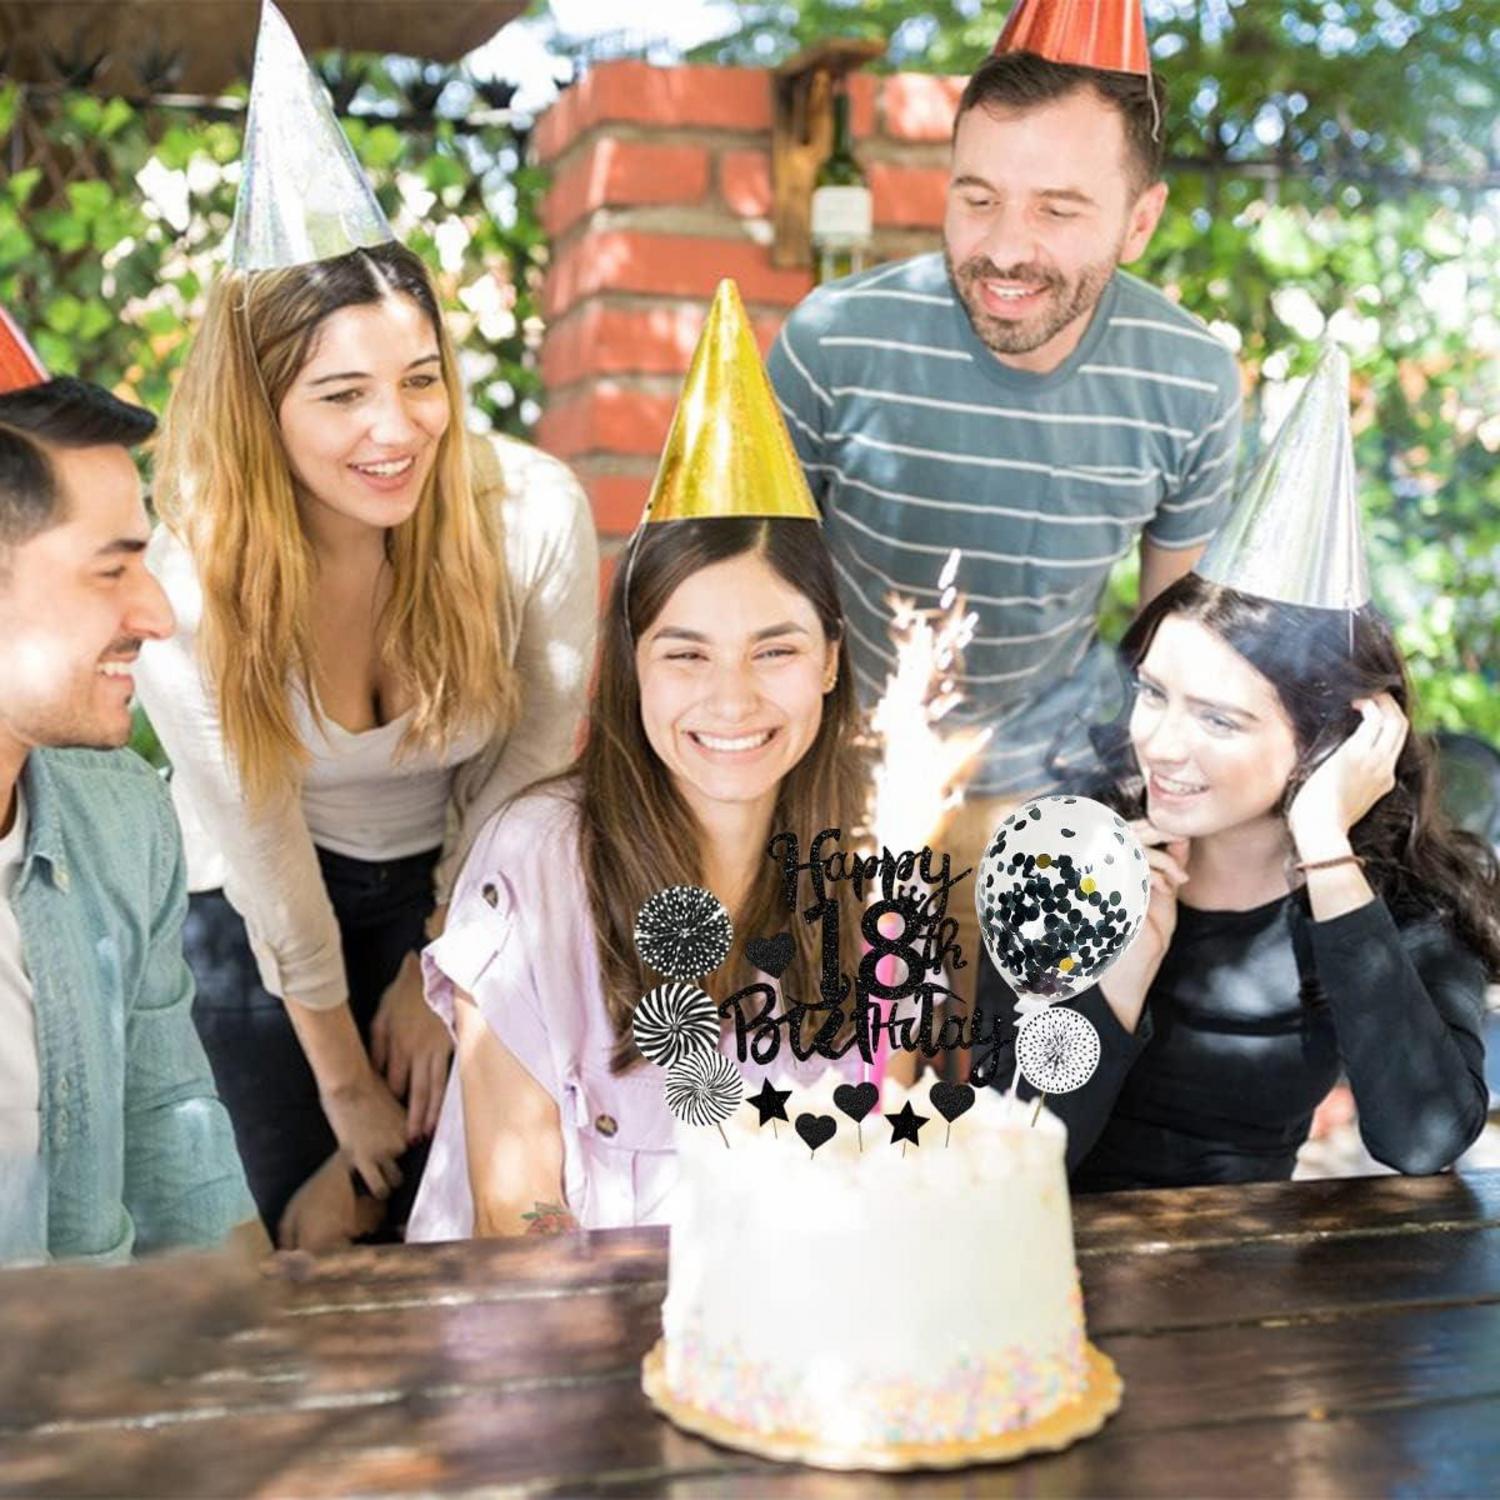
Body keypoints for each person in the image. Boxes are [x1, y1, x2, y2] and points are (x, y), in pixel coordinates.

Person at [136, 1, 596, 1250]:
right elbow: (264, 841)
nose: (395, 430)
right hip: (255, 912)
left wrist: (438, 962)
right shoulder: (193, 585)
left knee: (456, 1227)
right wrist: (345, 1074)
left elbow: (534, 759)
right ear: (263, 410)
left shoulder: (531, 518)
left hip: (466, 875)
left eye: (420, 380)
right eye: (342, 395)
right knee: (311, 1227)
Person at [766, 0, 1244, 1027]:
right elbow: (745, 589)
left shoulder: (1194, 380)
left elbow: (1181, 637)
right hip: (837, 790)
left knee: (1005, 1117)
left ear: (1140, 219)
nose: (1006, 248)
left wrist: (1177, 817)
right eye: (977, 199)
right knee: (840, 1096)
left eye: (1059, 210)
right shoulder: (832, 345)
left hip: (1051, 792)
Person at [408, 282, 882, 1241]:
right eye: (687, 652)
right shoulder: (538, 860)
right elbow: (518, 1209)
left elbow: (885, 1169)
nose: (733, 699)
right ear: (632, 664)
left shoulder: (870, 875)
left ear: (831, 659)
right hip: (558, 1355)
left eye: (776, 649)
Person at [977, 345, 1496, 1188]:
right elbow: (1007, 1155)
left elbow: (1424, 1138)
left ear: (1330, 736)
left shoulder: (1395, 889)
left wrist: (1327, 850)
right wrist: (1114, 988)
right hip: (1048, 1276)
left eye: (1219, 718)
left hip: (1247, 1289)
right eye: (1155, 694)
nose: (1163, 744)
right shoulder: (1062, 854)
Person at [0, 328, 262, 1262]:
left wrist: (261, 1361)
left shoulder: (124, 819)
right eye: (112, 568)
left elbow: (171, 1126)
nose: (156, 613)